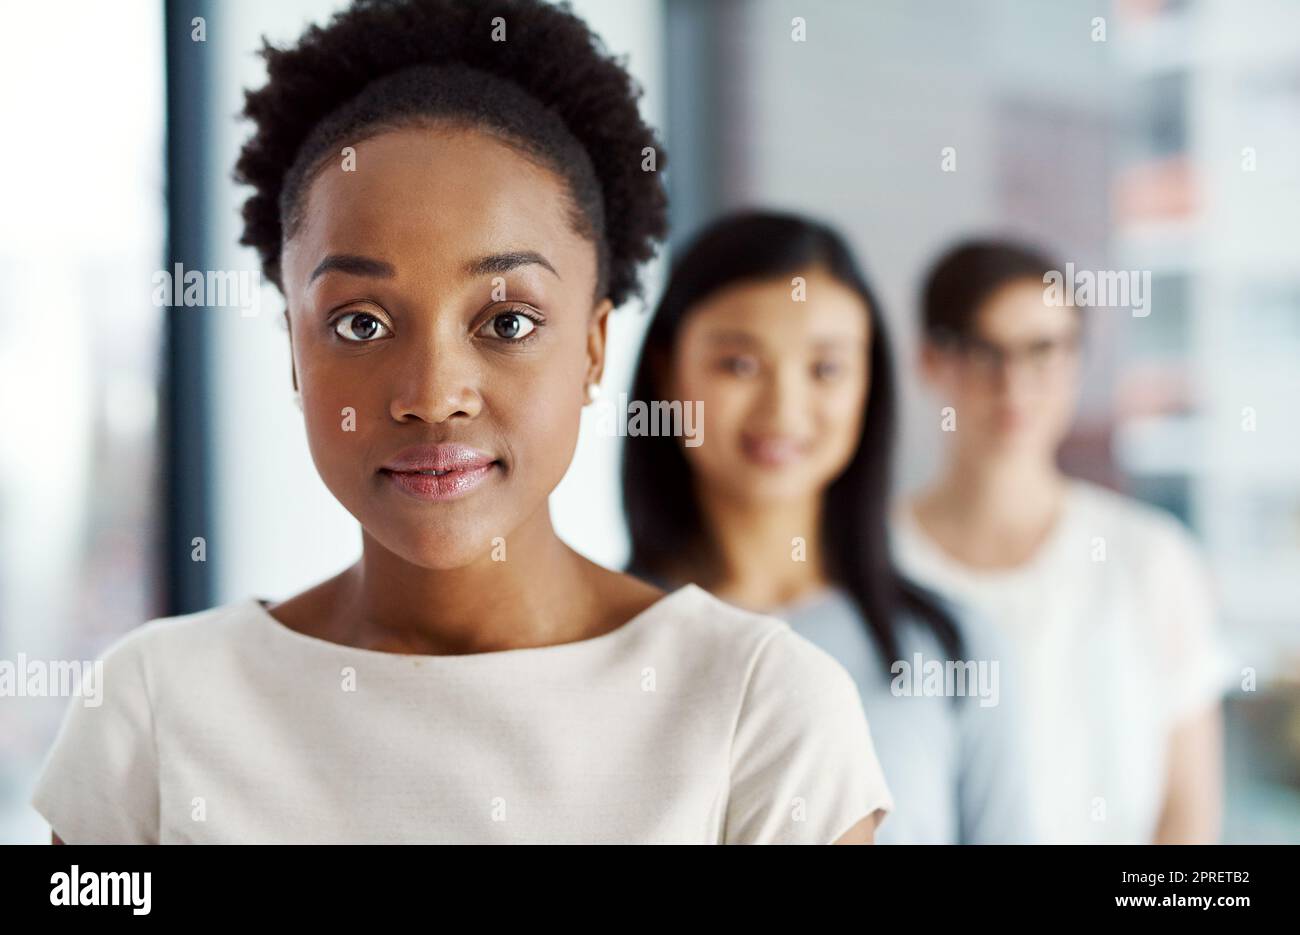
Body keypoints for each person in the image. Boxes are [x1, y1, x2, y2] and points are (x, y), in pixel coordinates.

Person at [30, 0, 890, 845]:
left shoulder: (762, 715)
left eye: (507, 321)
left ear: (593, 349)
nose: (434, 393)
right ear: (295, 353)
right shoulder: (154, 708)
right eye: (360, 322)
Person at [623, 211, 1037, 843]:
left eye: (825, 369)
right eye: (738, 364)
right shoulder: (595, 645)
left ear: (870, 383)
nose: (783, 409)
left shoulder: (954, 648)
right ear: (665, 370)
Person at [893, 239, 1235, 843]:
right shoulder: (871, 562)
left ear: (1077, 360)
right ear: (929, 359)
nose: (1013, 383)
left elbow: (1188, 815)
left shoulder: (1151, 558)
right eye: (982, 351)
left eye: (1043, 350)